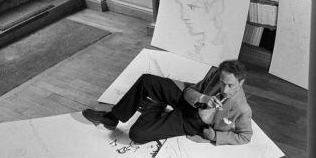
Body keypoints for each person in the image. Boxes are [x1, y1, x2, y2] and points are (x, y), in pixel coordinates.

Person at [82, 59, 253, 146]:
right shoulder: (217, 74)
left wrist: (216, 136)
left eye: (231, 85)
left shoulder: (243, 109)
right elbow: (190, 90)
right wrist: (202, 98)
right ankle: (113, 117)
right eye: (223, 82)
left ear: (242, 83)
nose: (224, 89)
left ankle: (155, 106)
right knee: (147, 80)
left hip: (192, 122)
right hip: (190, 101)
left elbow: (245, 136)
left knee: (137, 135)